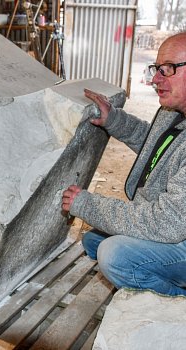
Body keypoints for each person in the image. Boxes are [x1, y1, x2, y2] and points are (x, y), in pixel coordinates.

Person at [62, 32, 186, 296]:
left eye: (168, 69)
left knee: (114, 254)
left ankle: (177, 305)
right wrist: (113, 120)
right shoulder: (174, 112)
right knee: (94, 239)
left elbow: (167, 222)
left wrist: (86, 203)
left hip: (177, 230)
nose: (155, 79)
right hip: (176, 226)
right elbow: (159, 149)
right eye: (156, 69)